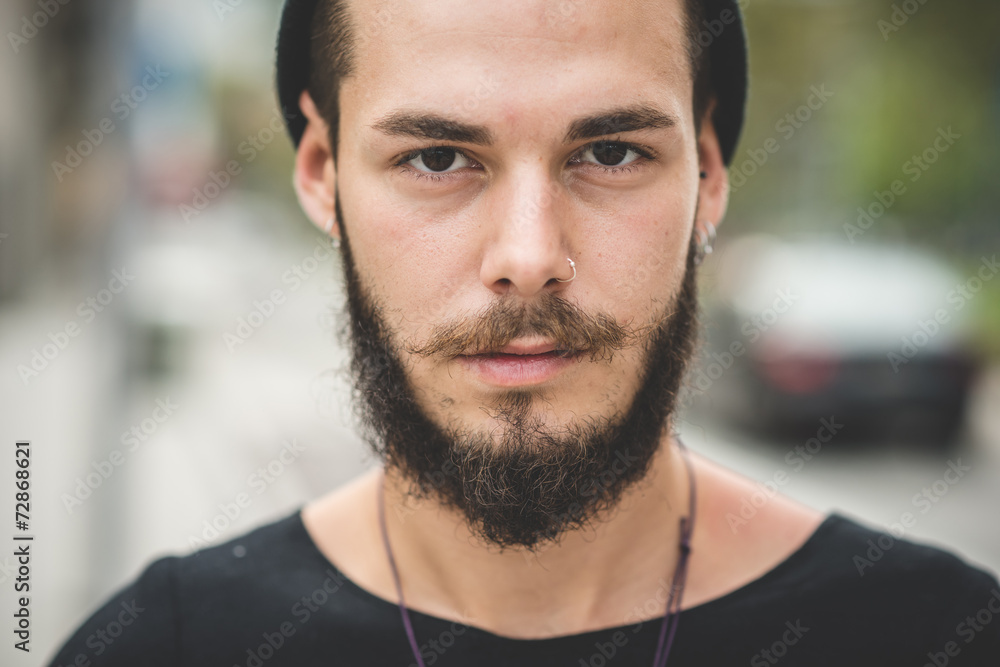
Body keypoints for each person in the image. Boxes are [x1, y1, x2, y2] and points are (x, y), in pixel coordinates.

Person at [48, 0, 1000, 665]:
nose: (530, 254)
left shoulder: (943, 635)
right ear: (320, 172)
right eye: (436, 157)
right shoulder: (162, 646)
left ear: (707, 174)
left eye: (612, 152)